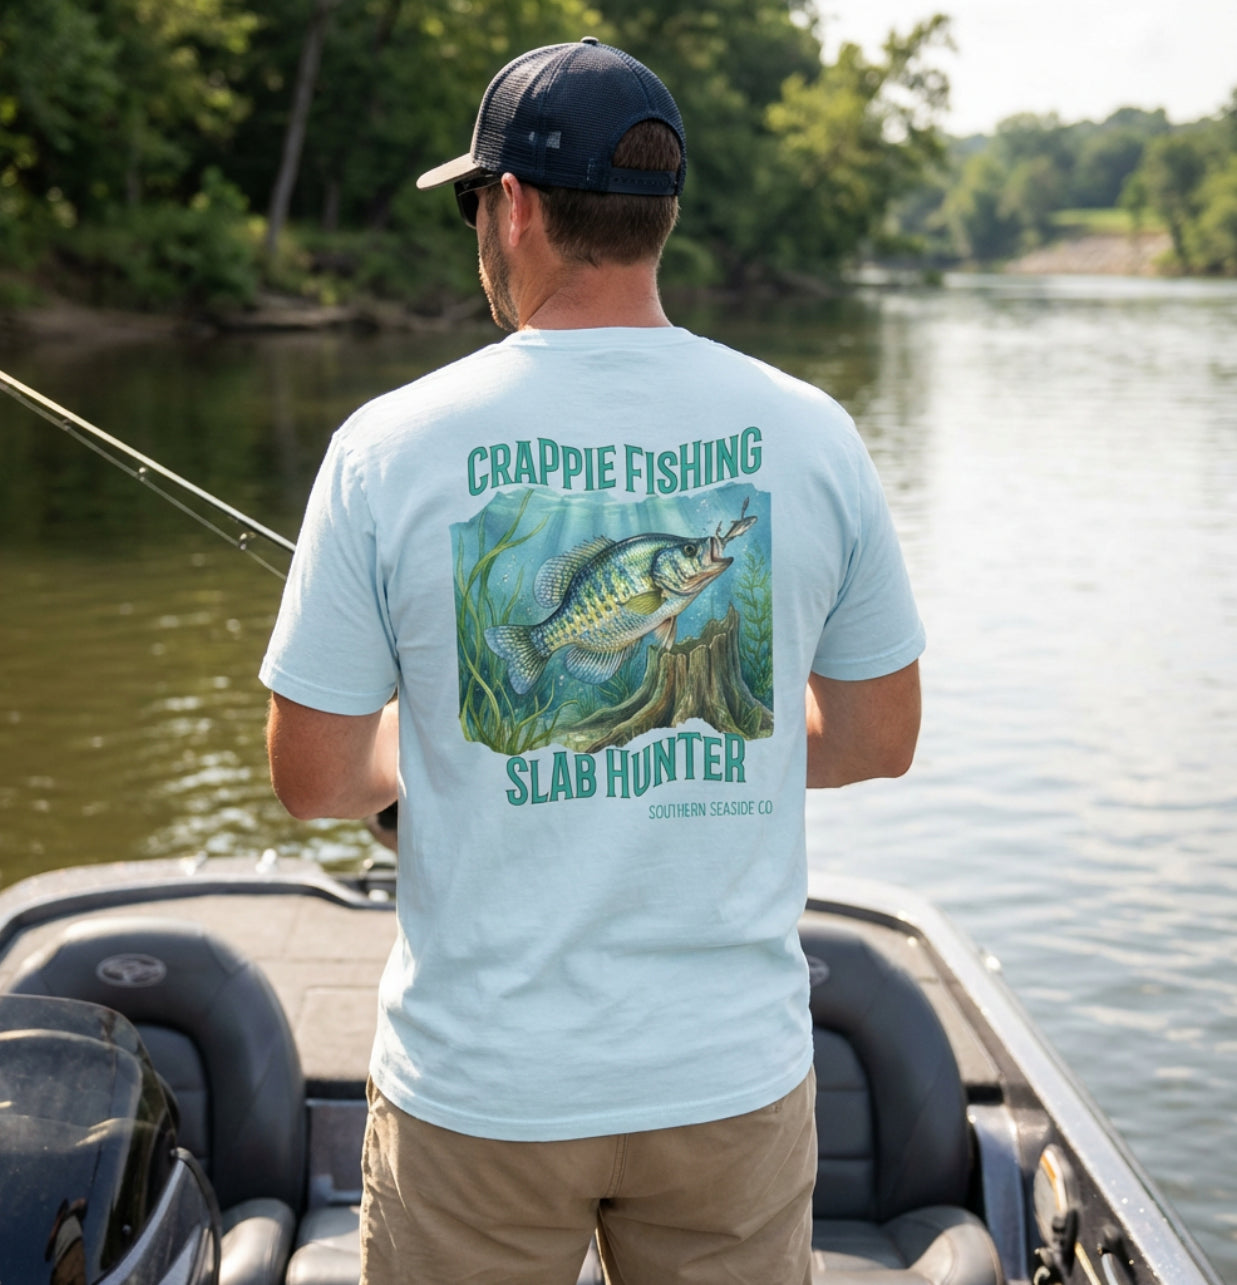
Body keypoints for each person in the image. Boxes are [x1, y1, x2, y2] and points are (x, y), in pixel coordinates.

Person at [261, 37, 923, 1285]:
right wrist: (694, 738)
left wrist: (443, 754)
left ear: (511, 206)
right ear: (659, 216)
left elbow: (315, 777)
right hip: (728, 1082)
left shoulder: (383, 447)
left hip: (480, 1092)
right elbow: (880, 739)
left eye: (473, 200)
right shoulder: (813, 433)